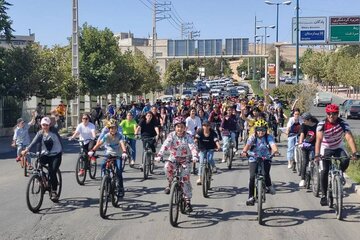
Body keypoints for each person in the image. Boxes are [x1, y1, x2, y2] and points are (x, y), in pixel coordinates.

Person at [314, 104, 359, 206]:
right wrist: (317, 154)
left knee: (345, 160)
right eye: (329, 114)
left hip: (338, 146)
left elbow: (349, 138)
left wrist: (355, 153)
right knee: (324, 170)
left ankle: (339, 173)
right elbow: (319, 140)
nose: (331, 116)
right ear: (326, 114)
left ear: (337, 114)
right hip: (325, 148)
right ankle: (324, 195)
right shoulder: (322, 124)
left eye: (334, 114)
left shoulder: (343, 123)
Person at [155, 116, 198, 213]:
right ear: (175, 127)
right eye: (178, 126)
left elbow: (192, 146)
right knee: (166, 167)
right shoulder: (171, 135)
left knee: (185, 180)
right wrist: (159, 155)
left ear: (185, 128)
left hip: (185, 160)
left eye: (182, 127)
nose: (180, 129)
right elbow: (165, 145)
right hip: (173, 158)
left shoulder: (188, 136)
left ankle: (187, 202)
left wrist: (195, 156)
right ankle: (170, 183)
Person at [21, 117, 63, 200]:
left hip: (56, 155)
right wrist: (26, 150)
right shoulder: (40, 133)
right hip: (46, 154)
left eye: (46, 125)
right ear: (41, 125)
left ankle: (54, 190)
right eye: (43, 125)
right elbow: (33, 142)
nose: (45, 126)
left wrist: (57, 118)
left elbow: (59, 125)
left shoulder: (54, 132)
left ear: (49, 125)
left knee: (52, 171)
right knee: (38, 163)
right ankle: (41, 178)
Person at [241, 119, 279, 206]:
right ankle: (251, 197)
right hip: (253, 157)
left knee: (265, 173)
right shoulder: (252, 137)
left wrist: (275, 151)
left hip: (266, 157)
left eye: (263, 130)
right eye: (258, 130)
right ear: (256, 130)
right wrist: (244, 151)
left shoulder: (268, 137)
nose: (260, 132)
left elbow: (273, 145)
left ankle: (269, 186)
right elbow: (247, 145)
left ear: (266, 130)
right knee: (252, 177)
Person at [88, 120, 127, 198]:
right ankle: (104, 181)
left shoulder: (119, 136)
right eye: (111, 128)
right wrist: (92, 150)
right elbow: (99, 143)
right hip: (108, 154)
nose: (113, 130)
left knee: (119, 170)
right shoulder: (106, 136)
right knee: (103, 165)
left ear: (117, 129)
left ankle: (120, 188)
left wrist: (124, 152)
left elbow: (122, 144)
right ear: (109, 129)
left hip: (118, 154)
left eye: (114, 128)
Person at [298, 112, 318, 187]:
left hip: (315, 144)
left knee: (316, 159)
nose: (303, 122)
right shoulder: (303, 125)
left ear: (309, 120)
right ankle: (303, 179)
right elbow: (302, 134)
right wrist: (300, 143)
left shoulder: (317, 125)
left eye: (305, 120)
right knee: (305, 161)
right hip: (306, 145)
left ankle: (317, 174)